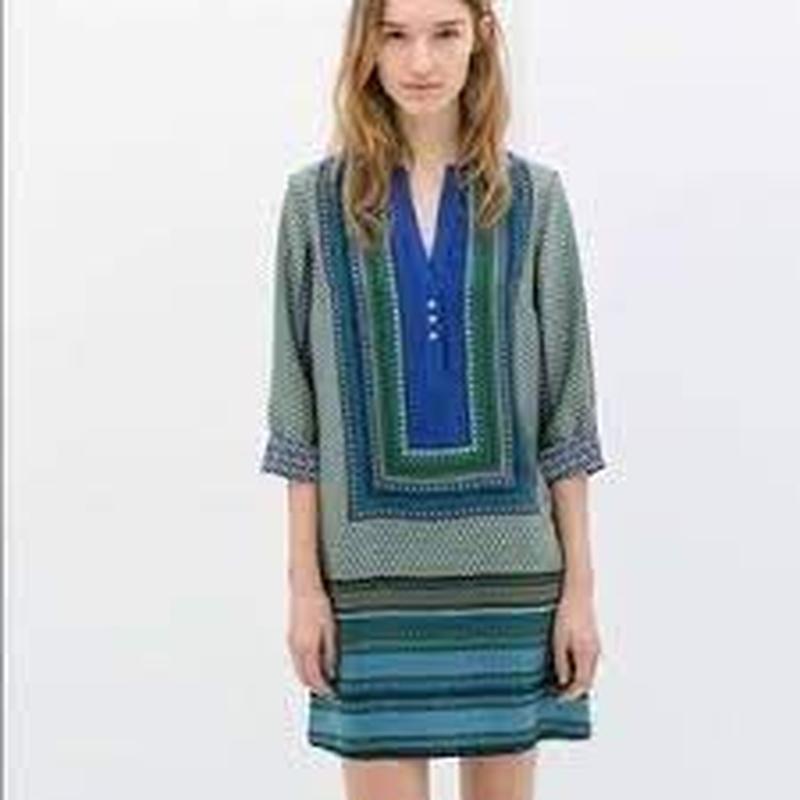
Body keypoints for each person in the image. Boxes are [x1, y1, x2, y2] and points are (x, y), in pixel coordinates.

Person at [259, 0, 608, 798]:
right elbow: (297, 419)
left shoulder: (536, 200)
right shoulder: (313, 206)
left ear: (481, 35)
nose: (421, 61)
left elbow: (566, 415)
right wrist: (304, 588)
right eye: (396, 35)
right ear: (367, 46)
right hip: (367, 589)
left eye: (444, 33)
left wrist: (580, 593)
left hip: (511, 581)